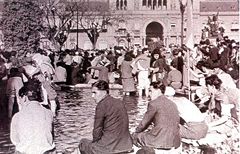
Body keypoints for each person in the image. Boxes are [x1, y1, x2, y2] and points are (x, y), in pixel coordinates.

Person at [78, 80, 133, 154]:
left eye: (95, 93)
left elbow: (97, 130)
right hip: (126, 145)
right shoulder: (119, 102)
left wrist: (95, 144)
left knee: (83, 142)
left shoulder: (101, 105)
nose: (92, 96)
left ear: (104, 92)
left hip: (109, 148)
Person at [132, 82, 181, 151]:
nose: (149, 94)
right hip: (174, 140)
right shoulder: (173, 104)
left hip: (160, 140)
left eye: (151, 91)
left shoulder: (153, 104)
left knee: (135, 136)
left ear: (158, 90)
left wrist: (136, 132)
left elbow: (144, 123)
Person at [10, 82, 55, 154]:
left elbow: (15, 140)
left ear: (24, 98)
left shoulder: (17, 116)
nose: (20, 102)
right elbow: (51, 138)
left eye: (20, 100)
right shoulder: (49, 113)